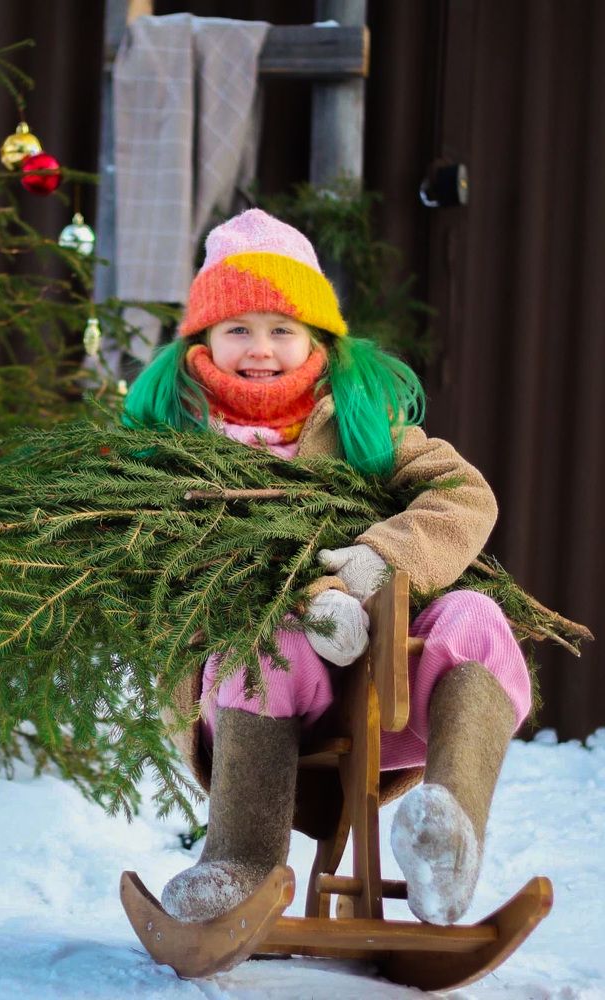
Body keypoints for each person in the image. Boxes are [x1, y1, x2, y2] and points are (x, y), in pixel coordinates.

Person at [121, 209, 531, 927]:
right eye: (238, 328)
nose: (261, 349)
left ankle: (447, 837)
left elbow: (464, 494)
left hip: (375, 686)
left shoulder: (361, 424)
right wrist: (304, 596)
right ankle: (240, 861)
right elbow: (157, 559)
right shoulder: (175, 444)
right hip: (250, 706)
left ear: (316, 338)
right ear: (203, 339)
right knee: (268, 644)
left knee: (476, 619)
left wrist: (379, 560)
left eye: (282, 329)